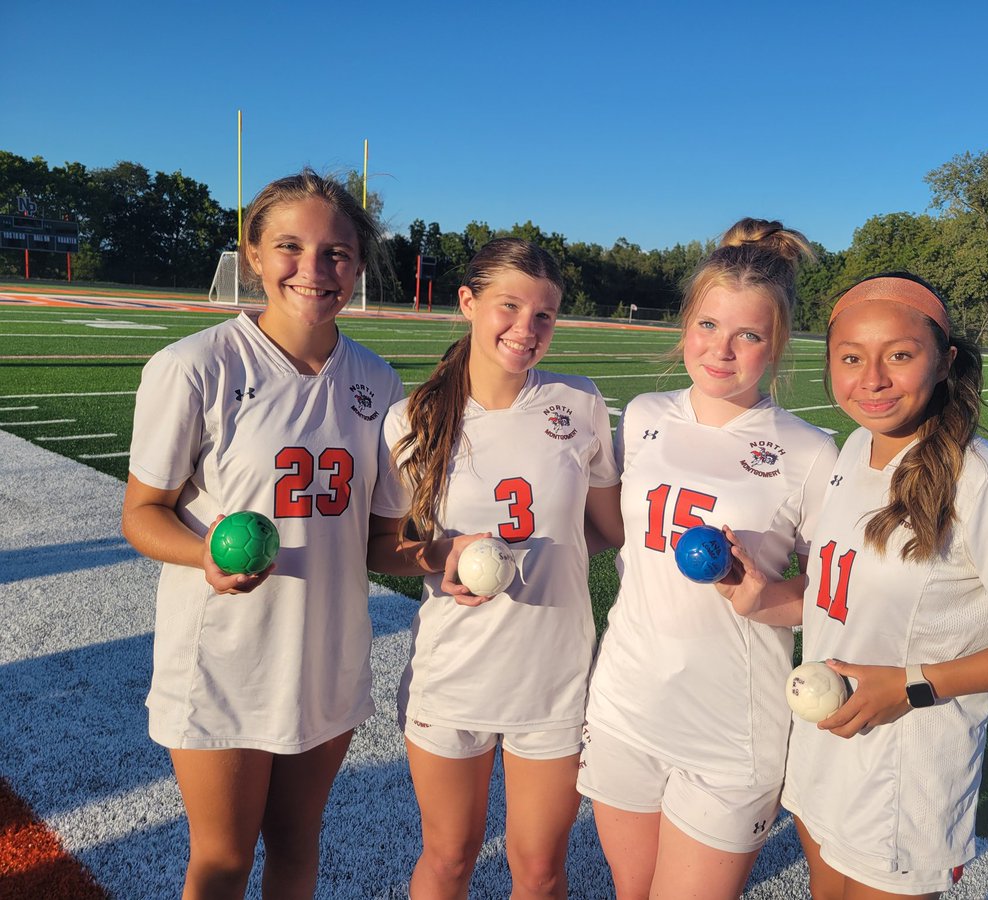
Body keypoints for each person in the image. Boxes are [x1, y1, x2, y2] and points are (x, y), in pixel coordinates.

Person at [121, 170, 405, 898]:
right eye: (290, 247)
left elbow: (379, 540)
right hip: (225, 656)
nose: (313, 270)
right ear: (251, 253)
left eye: (337, 253)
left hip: (327, 653)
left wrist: (446, 560)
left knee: (297, 846)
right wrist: (205, 557)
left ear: (359, 265)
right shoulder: (194, 367)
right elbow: (143, 513)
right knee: (222, 858)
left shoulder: (378, 380)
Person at [781, 272, 988, 899]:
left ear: (944, 360)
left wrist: (915, 684)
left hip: (908, 766)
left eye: (899, 355)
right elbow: (832, 591)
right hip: (825, 745)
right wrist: (753, 591)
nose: (871, 379)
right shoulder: (852, 450)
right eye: (851, 358)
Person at [578, 219, 840, 899]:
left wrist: (768, 598)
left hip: (731, 733)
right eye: (707, 326)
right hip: (624, 708)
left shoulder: (811, 453)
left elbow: (841, 590)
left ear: (776, 346)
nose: (721, 351)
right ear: (685, 325)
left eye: (747, 335)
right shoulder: (642, 416)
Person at [381, 237, 623, 900]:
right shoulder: (413, 420)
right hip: (453, 672)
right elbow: (382, 547)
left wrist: (547, 558)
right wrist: (441, 556)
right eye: (508, 307)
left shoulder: (579, 403)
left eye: (544, 315)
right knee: (451, 858)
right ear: (468, 302)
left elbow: (606, 528)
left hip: (553, 677)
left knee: (540, 871)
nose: (527, 328)